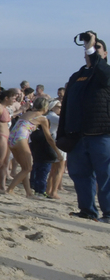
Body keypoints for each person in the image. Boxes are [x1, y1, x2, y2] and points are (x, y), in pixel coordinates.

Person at [58, 33, 110, 220]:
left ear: (104, 54)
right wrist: (62, 132)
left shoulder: (105, 73)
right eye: (89, 49)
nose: (92, 52)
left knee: (106, 175)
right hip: (76, 136)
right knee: (80, 175)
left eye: (97, 48)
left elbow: (103, 72)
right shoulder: (77, 76)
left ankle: (109, 213)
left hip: (101, 134)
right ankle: (87, 211)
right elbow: (66, 106)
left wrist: (91, 47)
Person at [7, 97, 57, 196]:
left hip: (11, 138)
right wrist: (57, 152)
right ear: (45, 107)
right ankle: (9, 189)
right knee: (27, 168)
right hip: (21, 139)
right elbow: (49, 138)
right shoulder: (42, 118)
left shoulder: (26, 114)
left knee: (24, 168)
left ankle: (28, 192)